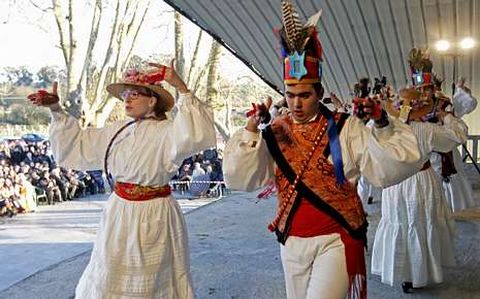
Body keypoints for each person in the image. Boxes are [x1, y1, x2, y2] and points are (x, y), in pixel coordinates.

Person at [223, 2, 422, 298]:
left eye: (304, 95)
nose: (296, 104)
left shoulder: (346, 127)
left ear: (319, 93)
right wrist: (251, 129)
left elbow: (388, 167)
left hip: (337, 237)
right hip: (291, 240)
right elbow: (241, 179)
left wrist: (382, 122)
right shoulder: (275, 131)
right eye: (290, 95)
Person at [28, 60, 216, 298]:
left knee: (153, 279)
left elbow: (196, 133)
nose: (127, 99)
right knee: (109, 274)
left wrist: (180, 86)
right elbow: (79, 145)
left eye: (134, 94)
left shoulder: (170, 131)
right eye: (125, 94)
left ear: (152, 101)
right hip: (119, 213)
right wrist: (56, 109)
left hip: (154, 213)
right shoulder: (118, 129)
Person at [371, 48, 468, 293]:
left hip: (395, 184)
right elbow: (458, 136)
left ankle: (404, 275)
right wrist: (447, 116)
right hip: (422, 181)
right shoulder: (426, 130)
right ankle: (421, 272)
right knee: (420, 224)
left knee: (400, 223)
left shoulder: (388, 129)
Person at [430, 79, 478, 212]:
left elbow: (468, 105)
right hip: (430, 153)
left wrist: (460, 90)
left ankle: (450, 208)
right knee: (433, 180)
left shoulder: (449, 110)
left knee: (451, 176)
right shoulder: (420, 112)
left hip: (448, 152)